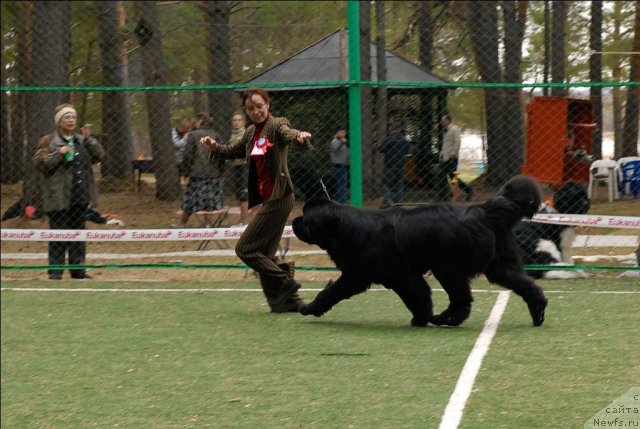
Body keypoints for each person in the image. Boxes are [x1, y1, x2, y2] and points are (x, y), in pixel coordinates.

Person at [200, 87, 312, 313]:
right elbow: (232, 150)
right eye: (251, 108)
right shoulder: (251, 132)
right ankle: (286, 302)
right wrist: (214, 147)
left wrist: (299, 136)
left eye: (260, 106)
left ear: (267, 104)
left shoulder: (277, 125)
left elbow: (288, 133)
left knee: (245, 249)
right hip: (267, 199)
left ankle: (286, 281)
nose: (256, 111)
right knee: (265, 254)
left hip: (279, 198)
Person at [33, 103, 105, 280]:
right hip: (58, 197)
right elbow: (40, 163)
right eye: (67, 117)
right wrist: (58, 153)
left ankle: (78, 270)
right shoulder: (48, 141)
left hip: (80, 196)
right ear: (59, 121)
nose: (71, 120)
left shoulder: (81, 140)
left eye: (73, 117)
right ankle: (55, 272)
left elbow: (99, 156)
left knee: (78, 234)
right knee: (58, 234)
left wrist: (90, 140)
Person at [175, 113, 225, 228]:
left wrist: (185, 171)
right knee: (210, 201)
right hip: (213, 173)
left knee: (190, 200)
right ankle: (207, 223)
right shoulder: (216, 135)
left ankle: (182, 223)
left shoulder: (193, 135)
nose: (193, 123)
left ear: (200, 121)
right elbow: (222, 155)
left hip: (197, 174)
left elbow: (188, 155)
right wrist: (221, 171)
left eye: (195, 121)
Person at [438, 114, 473, 201]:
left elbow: (457, 143)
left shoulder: (454, 129)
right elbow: (445, 145)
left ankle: (467, 190)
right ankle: (446, 195)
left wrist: (452, 155)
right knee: (445, 176)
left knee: (450, 176)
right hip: (445, 158)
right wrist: (441, 155)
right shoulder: (444, 131)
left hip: (452, 158)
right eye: (441, 121)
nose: (441, 122)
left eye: (443, 120)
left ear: (448, 120)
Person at [224, 112, 251, 226]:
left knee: (244, 194)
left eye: (239, 120)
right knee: (240, 195)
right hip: (236, 166)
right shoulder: (233, 135)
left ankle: (245, 222)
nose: (236, 122)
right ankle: (243, 221)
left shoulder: (246, 133)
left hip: (245, 166)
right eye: (234, 120)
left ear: (243, 122)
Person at [377, 121, 410, 208]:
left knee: (385, 183)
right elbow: (407, 151)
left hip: (390, 165)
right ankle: (398, 204)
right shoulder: (404, 140)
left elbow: (381, 149)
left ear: (393, 129)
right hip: (401, 165)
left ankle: (386, 201)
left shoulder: (389, 139)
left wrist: (380, 146)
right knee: (399, 184)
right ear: (400, 129)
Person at [329, 128, 349, 204]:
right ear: (337, 133)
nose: (343, 134)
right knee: (341, 186)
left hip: (344, 167)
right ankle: (341, 202)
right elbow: (335, 149)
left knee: (342, 186)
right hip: (338, 167)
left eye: (344, 132)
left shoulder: (345, 143)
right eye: (341, 132)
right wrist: (341, 142)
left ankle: (338, 201)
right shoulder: (334, 141)